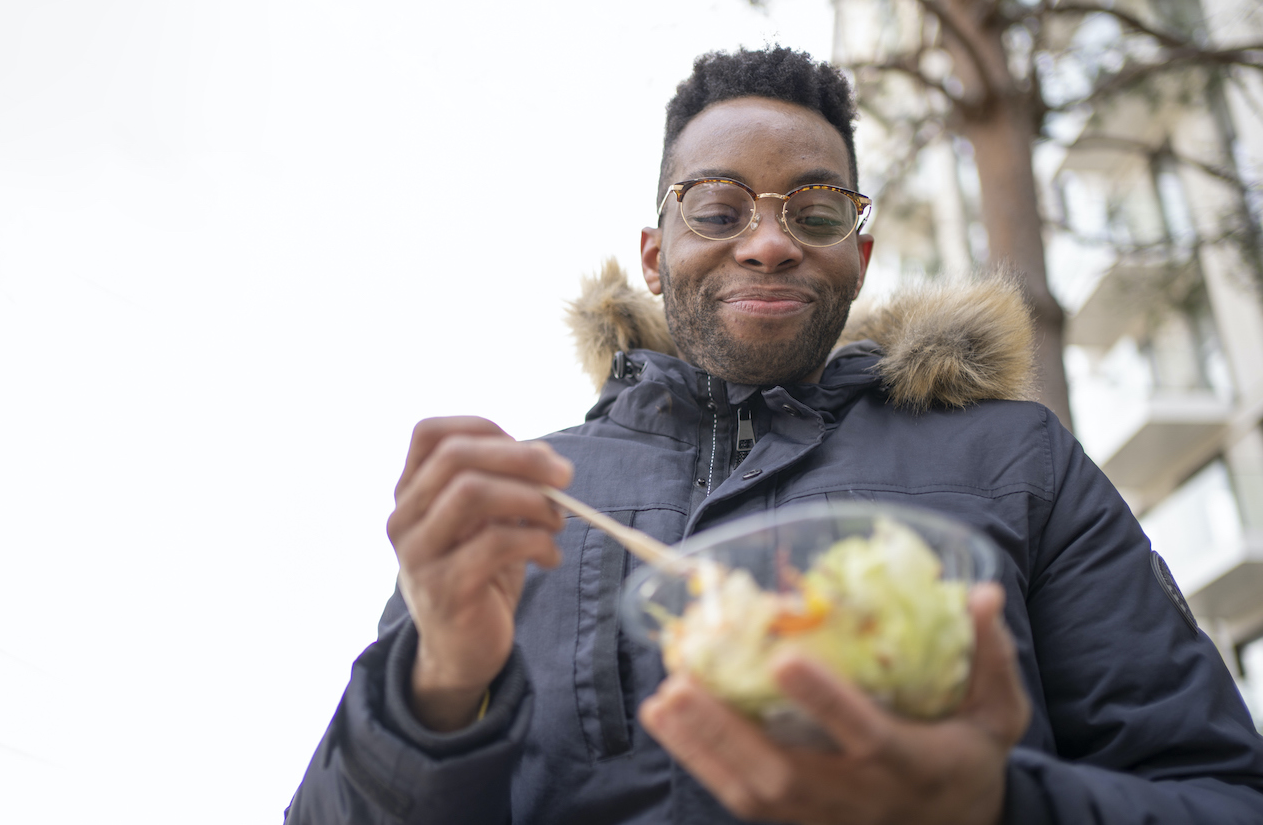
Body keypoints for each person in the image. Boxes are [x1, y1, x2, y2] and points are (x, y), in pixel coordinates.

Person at [285, 47, 1263, 824]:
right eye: (716, 207)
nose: (766, 239)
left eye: (816, 208)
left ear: (857, 252)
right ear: (655, 252)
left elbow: (1220, 795)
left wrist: (995, 803)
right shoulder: (527, 502)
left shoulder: (1014, 461)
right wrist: (439, 683)